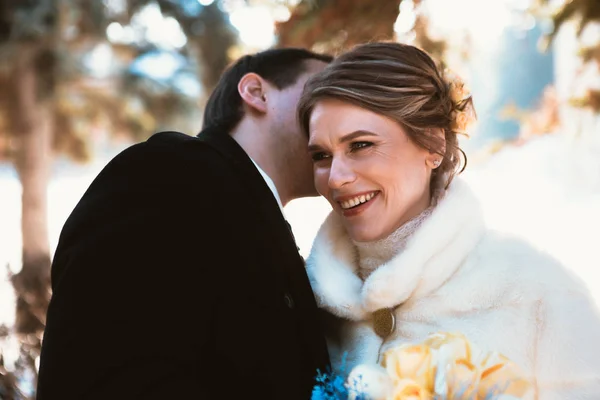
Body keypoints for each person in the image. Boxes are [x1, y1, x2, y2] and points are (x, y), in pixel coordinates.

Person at [297, 42, 600, 398]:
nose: (335, 178)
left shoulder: (541, 294)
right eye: (321, 155)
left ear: (433, 145)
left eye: (361, 145)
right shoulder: (303, 303)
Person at [37, 48, 332, 399]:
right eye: (324, 91)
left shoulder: (256, 215)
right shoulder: (169, 171)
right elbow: (109, 370)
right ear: (256, 92)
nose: (341, 109)